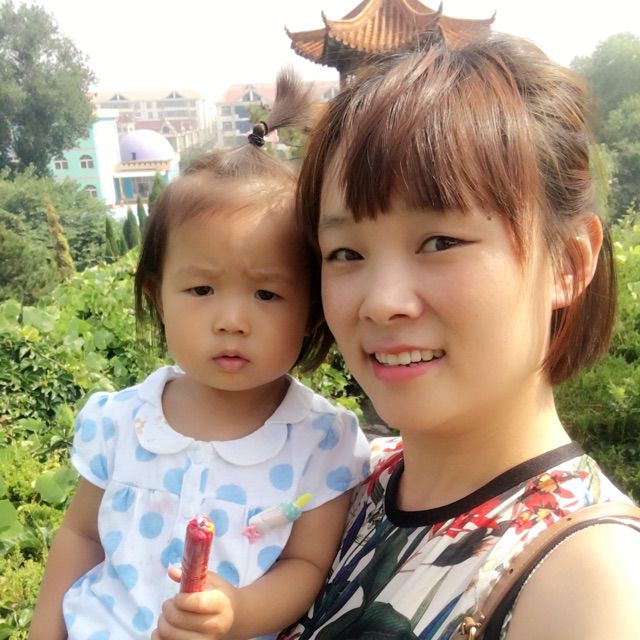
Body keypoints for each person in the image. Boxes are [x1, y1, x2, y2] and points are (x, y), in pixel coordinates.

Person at [277, 33, 640, 639]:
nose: (382, 302)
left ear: (569, 262)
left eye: (440, 242)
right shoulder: (348, 482)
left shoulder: (589, 580)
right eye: (344, 252)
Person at [28, 68, 370, 640]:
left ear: (312, 310)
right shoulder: (120, 422)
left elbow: (305, 564)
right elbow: (81, 537)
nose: (231, 320)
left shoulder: (322, 441)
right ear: (156, 296)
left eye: (267, 294)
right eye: (201, 289)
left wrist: (239, 613)